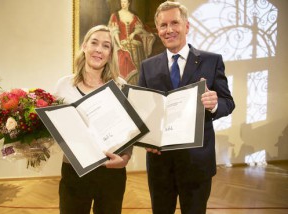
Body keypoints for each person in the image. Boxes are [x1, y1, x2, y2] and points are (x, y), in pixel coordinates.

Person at [138, 1, 235, 214]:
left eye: (175, 23)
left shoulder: (212, 61)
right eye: (163, 25)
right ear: (158, 30)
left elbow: (228, 102)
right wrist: (146, 139)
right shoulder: (147, 66)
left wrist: (215, 103)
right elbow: (142, 112)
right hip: (160, 163)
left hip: (197, 163)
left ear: (187, 26)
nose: (169, 29)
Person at [55, 25, 132, 214]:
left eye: (106, 46)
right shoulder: (64, 85)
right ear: (84, 46)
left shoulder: (121, 86)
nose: (99, 49)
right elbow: (55, 124)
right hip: (74, 170)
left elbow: (130, 130)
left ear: (110, 53)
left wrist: (125, 158)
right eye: (94, 43)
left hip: (112, 170)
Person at [108, 0, 155, 84]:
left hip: (135, 47)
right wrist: (119, 44)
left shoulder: (134, 16)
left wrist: (133, 34)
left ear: (129, 3)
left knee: (137, 72)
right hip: (121, 46)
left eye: (125, 2)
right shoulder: (115, 16)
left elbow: (140, 29)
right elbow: (114, 32)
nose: (123, 4)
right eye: (122, 2)